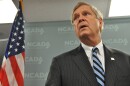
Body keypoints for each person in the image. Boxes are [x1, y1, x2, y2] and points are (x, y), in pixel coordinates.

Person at [45, 2, 130, 86]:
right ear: (75, 28)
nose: (80, 19)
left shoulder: (126, 60)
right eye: (76, 17)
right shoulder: (60, 63)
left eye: (86, 14)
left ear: (100, 23)